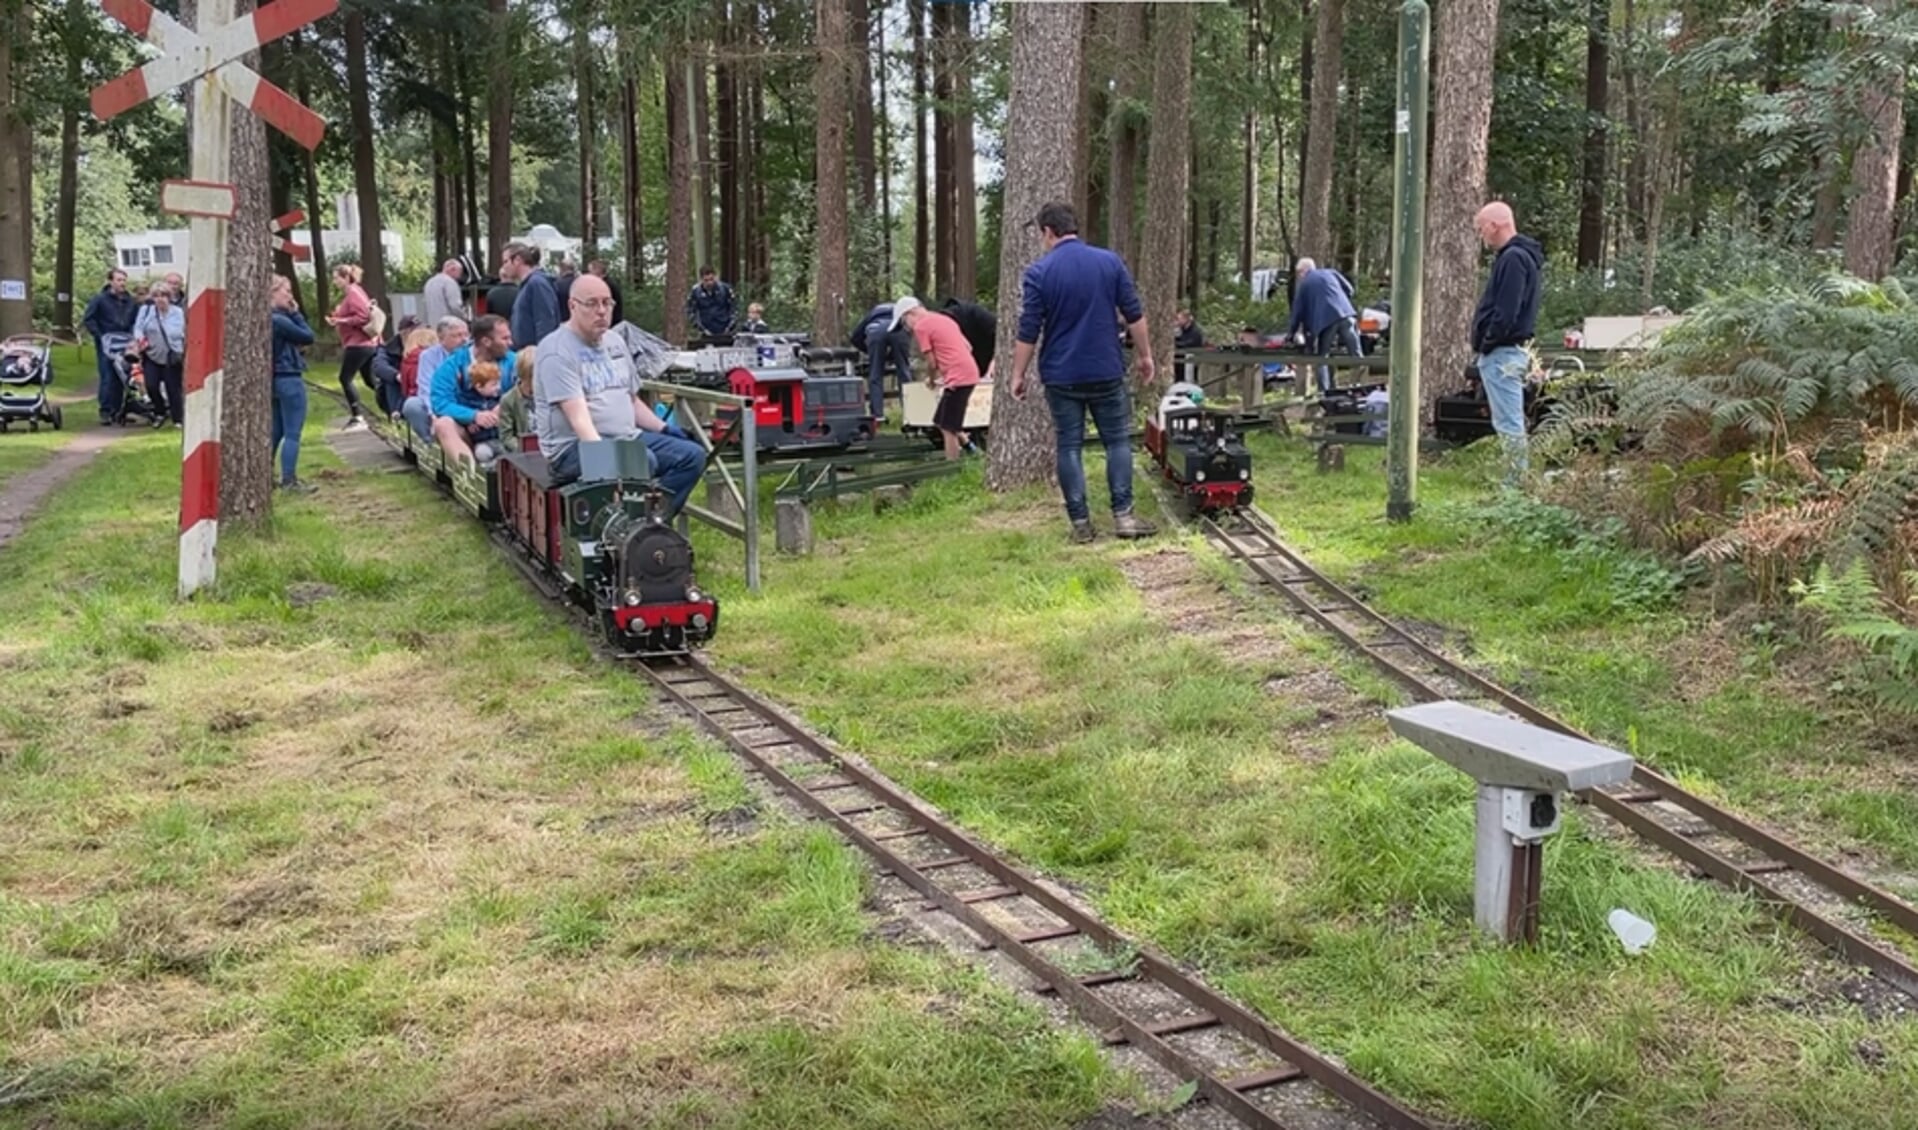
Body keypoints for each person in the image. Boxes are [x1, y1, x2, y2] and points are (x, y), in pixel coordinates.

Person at [1010, 201, 1156, 543]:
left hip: (1061, 374)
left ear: (1048, 232)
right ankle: (1124, 517)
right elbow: (1134, 314)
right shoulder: (1109, 262)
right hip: (1105, 367)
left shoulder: (1039, 273)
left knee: (1069, 445)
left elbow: (1028, 330)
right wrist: (1145, 355)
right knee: (1117, 440)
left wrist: (1017, 373)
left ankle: (1081, 525)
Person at [538, 275, 704, 515]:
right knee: (642, 461)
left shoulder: (615, 341)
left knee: (691, 456)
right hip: (572, 449)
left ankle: (651, 521)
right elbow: (579, 420)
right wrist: (610, 459)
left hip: (626, 436)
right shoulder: (556, 351)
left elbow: (630, 400)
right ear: (572, 305)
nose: (602, 311)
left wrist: (665, 429)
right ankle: (628, 526)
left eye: (607, 303)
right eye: (592, 303)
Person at [1470, 201, 1544, 477]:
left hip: (1502, 351)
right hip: (1507, 350)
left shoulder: (1513, 259)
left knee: (1509, 423)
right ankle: (1516, 482)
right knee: (1508, 421)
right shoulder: (1521, 257)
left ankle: (1516, 486)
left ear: (1494, 225)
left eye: (1481, 229)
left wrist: (1487, 342)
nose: (1482, 236)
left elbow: (1506, 310)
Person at [891, 296, 981, 460]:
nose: (907, 328)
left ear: (910, 314)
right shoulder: (944, 319)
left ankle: (951, 466)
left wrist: (932, 380)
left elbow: (932, 363)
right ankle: (971, 448)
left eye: (904, 323)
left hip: (959, 378)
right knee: (941, 420)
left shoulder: (921, 327)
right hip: (968, 372)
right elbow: (968, 347)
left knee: (948, 428)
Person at [427, 313, 517, 468]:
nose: (511, 342)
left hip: (506, 428)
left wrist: (505, 405)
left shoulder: (513, 361)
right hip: (469, 430)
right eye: (505, 339)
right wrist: (473, 416)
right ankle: (470, 474)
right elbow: (440, 402)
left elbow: (527, 389)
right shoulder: (452, 365)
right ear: (486, 341)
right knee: (443, 424)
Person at [269, 276, 317, 493]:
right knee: (292, 432)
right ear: (273, 293)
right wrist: (296, 312)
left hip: (273, 379)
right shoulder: (279, 320)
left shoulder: (265, 319)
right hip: (288, 375)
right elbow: (307, 336)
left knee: (276, 429)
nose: (290, 296)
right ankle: (289, 479)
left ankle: (265, 474)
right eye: (286, 291)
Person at [1286, 258, 1360, 394]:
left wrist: (1290, 334)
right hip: (1347, 315)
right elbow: (1350, 290)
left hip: (1327, 322)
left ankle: (1324, 393)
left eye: (1298, 273)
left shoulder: (1304, 285)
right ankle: (1359, 386)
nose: (1299, 277)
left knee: (1322, 357)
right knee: (1357, 356)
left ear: (1303, 271)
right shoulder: (1331, 272)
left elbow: (1297, 313)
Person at [401, 315, 471, 441]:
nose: (464, 340)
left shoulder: (472, 352)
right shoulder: (428, 356)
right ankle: (431, 441)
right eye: (457, 336)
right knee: (412, 405)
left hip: (466, 402)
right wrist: (433, 414)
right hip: (438, 402)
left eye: (466, 334)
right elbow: (425, 387)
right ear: (441, 338)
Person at [81, 269, 137, 423]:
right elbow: (89, 319)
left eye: (124, 280)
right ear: (111, 281)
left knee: (123, 375)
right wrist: (100, 335)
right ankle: (105, 410)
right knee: (107, 376)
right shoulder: (100, 300)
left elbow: (134, 321)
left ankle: (118, 410)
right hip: (106, 343)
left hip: (125, 343)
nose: (122, 283)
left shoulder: (130, 301)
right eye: (119, 280)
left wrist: (132, 336)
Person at [326, 264, 377, 430]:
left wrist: (340, 320)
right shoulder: (356, 291)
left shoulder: (353, 293)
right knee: (371, 380)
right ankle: (394, 407)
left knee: (345, 378)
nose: (334, 281)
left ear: (346, 278)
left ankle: (358, 416)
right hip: (366, 344)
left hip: (358, 344)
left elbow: (362, 317)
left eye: (336, 278)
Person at [133, 284, 186, 427]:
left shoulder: (178, 313)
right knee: (151, 386)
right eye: (156, 296)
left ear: (169, 297)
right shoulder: (146, 311)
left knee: (173, 388)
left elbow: (181, 332)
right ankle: (159, 412)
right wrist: (141, 339)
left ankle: (178, 419)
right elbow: (138, 328)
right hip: (152, 353)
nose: (160, 299)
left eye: (163, 296)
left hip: (171, 355)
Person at [850, 302, 913, 422]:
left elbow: (855, 337)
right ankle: (910, 414)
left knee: (876, 374)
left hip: (875, 331)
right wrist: (893, 356)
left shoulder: (873, 312)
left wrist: (870, 351)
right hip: (899, 331)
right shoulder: (902, 312)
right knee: (904, 372)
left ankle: (877, 415)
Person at [500, 242, 560, 353]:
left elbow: (545, 322)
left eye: (505, 261)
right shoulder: (527, 285)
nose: (503, 267)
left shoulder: (537, 283)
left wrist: (541, 354)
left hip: (533, 358)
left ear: (517, 260)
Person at [941, 296, 997, 381]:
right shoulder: (939, 329)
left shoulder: (977, 314)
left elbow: (1005, 339)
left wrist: (996, 361)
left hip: (992, 359)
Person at [498, 344, 538, 452]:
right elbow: (506, 437)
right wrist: (524, 449)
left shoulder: (550, 395)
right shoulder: (508, 400)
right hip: (523, 452)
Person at [685, 266, 737, 339]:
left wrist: (730, 326)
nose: (709, 283)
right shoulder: (696, 292)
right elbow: (690, 311)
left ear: (715, 277)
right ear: (701, 279)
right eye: (706, 280)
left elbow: (733, 308)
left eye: (711, 279)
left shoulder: (725, 289)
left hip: (725, 329)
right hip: (705, 330)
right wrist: (700, 328)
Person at [423, 259, 465, 324]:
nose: (459, 276)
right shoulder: (450, 282)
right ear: (453, 269)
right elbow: (455, 306)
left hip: (432, 324)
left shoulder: (429, 282)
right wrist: (463, 318)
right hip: (447, 325)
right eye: (459, 272)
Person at [585, 259, 625, 325]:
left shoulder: (605, 285)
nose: (589, 274)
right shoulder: (607, 282)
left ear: (596, 271)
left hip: (612, 323)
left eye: (590, 271)